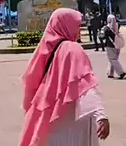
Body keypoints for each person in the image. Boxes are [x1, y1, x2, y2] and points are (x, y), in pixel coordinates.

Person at [19, 8, 110, 146]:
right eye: (77, 25)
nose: (79, 30)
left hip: (48, 121)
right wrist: (100, 114)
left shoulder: (46, 48)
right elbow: (85, 85)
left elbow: (31, 81)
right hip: (69, 119)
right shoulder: (73, 49)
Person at [102, 14, 126, 79]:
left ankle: (121, 72)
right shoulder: (117, 26)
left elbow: (103, 36)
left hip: (110, 45)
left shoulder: (107, 28)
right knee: (113, 59)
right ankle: (110, 73)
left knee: (112, 59)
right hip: (117, 45)